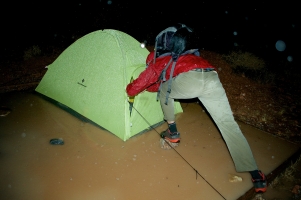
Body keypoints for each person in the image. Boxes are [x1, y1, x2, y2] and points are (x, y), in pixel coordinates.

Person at [126, 23, 267, 193]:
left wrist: (130, 88)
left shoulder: (159, 62)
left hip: (190, 79)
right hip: (211, 76)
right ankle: (255, 174)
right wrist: (153, 87)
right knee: (228, 125)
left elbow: (140, 85)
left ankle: (172, 131)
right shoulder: (183, 56)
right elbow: (168, 81)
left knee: (165, 91)